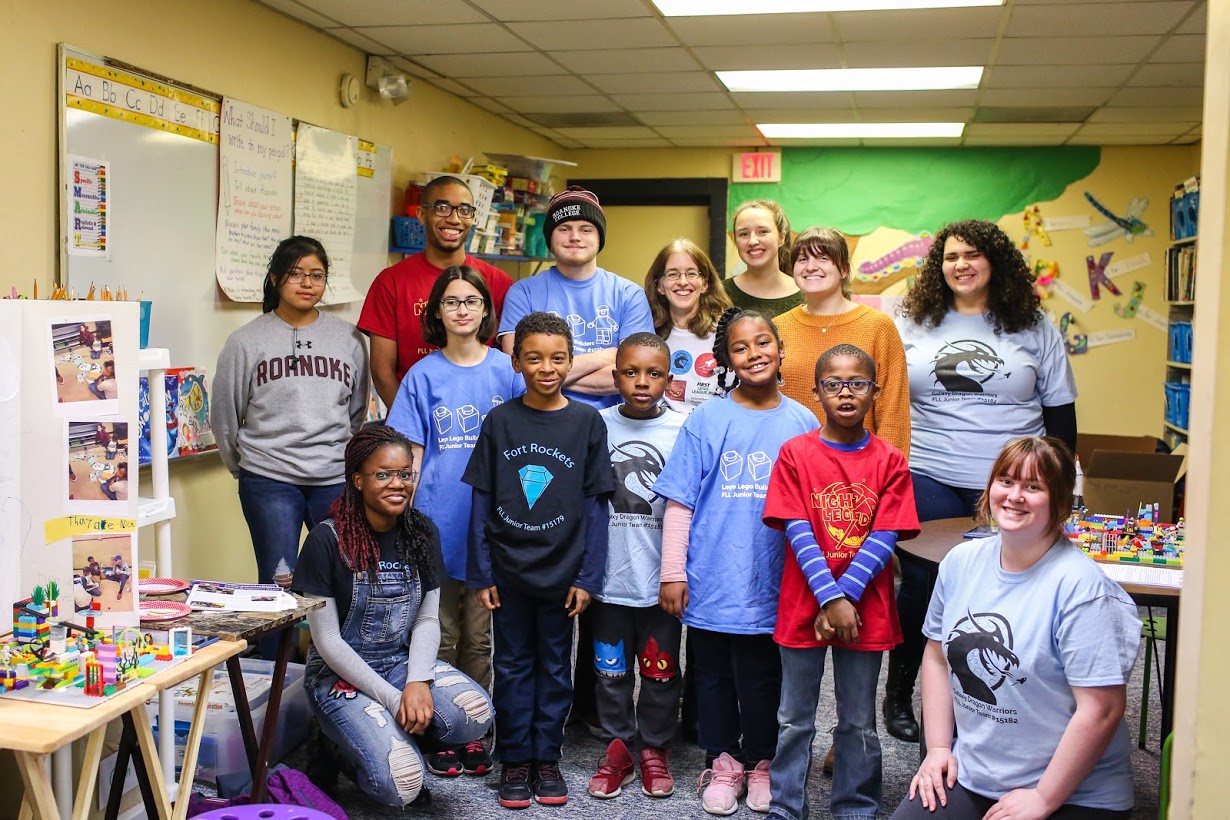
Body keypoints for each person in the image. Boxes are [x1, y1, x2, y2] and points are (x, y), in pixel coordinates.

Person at [885, 219, 1079, 743]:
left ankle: (995, 696)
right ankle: (902, 690)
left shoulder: (1033, 326)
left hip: (1015, 481)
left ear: (995, 262)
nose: (961, 265)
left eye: (972, 254)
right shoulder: (912, 323)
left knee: (1007, 585)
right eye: (950, 256)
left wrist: (1061, 485)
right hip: (930, 470)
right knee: (926, 581)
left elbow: (1060, 414)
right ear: (938, 266)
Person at [891, 436, 1138, 820]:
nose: (1015, 495)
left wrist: (1043, 798)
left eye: (1033, 486)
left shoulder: (1081, 589)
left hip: (1072, 790)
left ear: (1059, 502)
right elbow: (938, 657)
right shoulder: (960, 562)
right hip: (977, 773)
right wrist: (939, 748)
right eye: (1005, 481)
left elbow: (1102, 710)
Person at [654, 307, 819, 816]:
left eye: (763, 343)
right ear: (725, 358)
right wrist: (673, 572)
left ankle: (763, 762)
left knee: (765, 677)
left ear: (780, 348)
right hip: (713, 576)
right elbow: (680, 501)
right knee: (714, 676)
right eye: (741, 348)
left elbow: (816, 508)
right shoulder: (706, 419)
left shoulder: (803, 421)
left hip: (775, 580)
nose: (754, 354)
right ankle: (723, 761)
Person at [291, 425, 493, 808]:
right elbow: (328, 642)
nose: (396, 483)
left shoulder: (422, 532)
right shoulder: (325, 540)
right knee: (402, 783)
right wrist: (393, 698)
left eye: (404, 473)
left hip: (398, 663)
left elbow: (428, 620)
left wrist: (417, 680)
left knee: (475, 714)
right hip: (338, 675)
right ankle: (337, 749)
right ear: (358, 480)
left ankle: (394, 740)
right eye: (382, 474)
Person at [463, 312, 615, 809]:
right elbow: (481, 502)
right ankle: (514, 760)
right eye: (534, 358)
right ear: (516, 362)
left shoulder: (587, 422)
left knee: (555, 667)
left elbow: (597, 505)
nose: (546, 367)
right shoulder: (500, 422)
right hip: (508, 574)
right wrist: (482, 572)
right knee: (510, 666)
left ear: (571, 362)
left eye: (557, 358)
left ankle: (546, 757)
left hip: (564, 574)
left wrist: (588, 575)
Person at [763, 343, 920, 820]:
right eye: (833, 384)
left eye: (857, 384)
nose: (846, 393)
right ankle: (787, 804)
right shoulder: (795, 454)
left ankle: (855, 804)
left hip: (864, 611)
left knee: (858, 720)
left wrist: (845, 597)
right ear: (816, 392)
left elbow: (886, 533)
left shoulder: (890, 460)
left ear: (874, 392)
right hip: (804, 605)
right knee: (793, 719)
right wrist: (831, 598)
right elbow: (797, 530)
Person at [385, 265, 524, 777]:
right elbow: (412, 452)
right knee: (438, 636)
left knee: (480, 638)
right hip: (437, 519)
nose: (462, 309)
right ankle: (443, 728)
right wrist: (404, 514)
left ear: (486, 310)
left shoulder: (507, 372)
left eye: (471, 300)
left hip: (493, 525)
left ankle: (476, 728)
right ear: (436, 312)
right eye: (451, 301)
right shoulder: (422, 375)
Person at [212, 236, 370, 626]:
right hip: (269, 479)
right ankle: (273, 674)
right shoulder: (246, 341)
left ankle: (333, 671)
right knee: (276, 585)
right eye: (296, 274)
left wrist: (336, 453)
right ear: (275, 279)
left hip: (332, 477)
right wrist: (244, 468)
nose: (307, 283)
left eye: (317, 275)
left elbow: (356, 410)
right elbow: (224, 415)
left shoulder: (350, 339)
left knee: (342, 577)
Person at [587, 333, 686, 801]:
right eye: (630, 372)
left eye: (654, 373)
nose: (642, 382)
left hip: (660, 582)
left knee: (661, 670)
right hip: (608, 581)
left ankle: (654, 749)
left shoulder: (686, 427)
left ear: (669, 378)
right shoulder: (595, 425)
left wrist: (680, 572)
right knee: (609, 672)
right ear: (615, 376)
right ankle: (618, 748)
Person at [360, 176, 513, 410]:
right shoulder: (390, 282)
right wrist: (411, 424)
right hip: (416, 416)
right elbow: (382, 371)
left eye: (464, 210)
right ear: (422, 215)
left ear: (473, 217)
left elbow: (512, 363)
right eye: (442, 208)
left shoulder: (498, 282)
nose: (453, 219)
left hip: (485, 417)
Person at [498, 186, 655, 410]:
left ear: (599, 237)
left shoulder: (629, 295)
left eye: (585, 229)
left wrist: (546, 374)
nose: (575, 237)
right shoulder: (523, 293)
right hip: (539, 421)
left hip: (612, 426)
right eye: (564, 228)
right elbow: (518, 375)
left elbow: (635, 377)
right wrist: (607, 356)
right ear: (550, 238)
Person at [775, 227, 911, 456]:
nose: (810, 267)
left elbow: (893, 412)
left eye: (823, 258)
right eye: (802, 259)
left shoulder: (878, 326)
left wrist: (887, 472)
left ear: (844, 269)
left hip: (859, 468)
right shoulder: (778, 327)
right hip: (791, 466)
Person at [644, 238, 732, 414]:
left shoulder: (726, 331)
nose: (683, 282)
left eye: (691, 273)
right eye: (673, 274)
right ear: (659, 285)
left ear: (705, 284)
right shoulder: (647, 332)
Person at [724, 200, 801, 318]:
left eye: (763, 232)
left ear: (781, 237)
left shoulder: (807, 294)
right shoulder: (720, 294)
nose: (753, 241)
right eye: (744, 234)